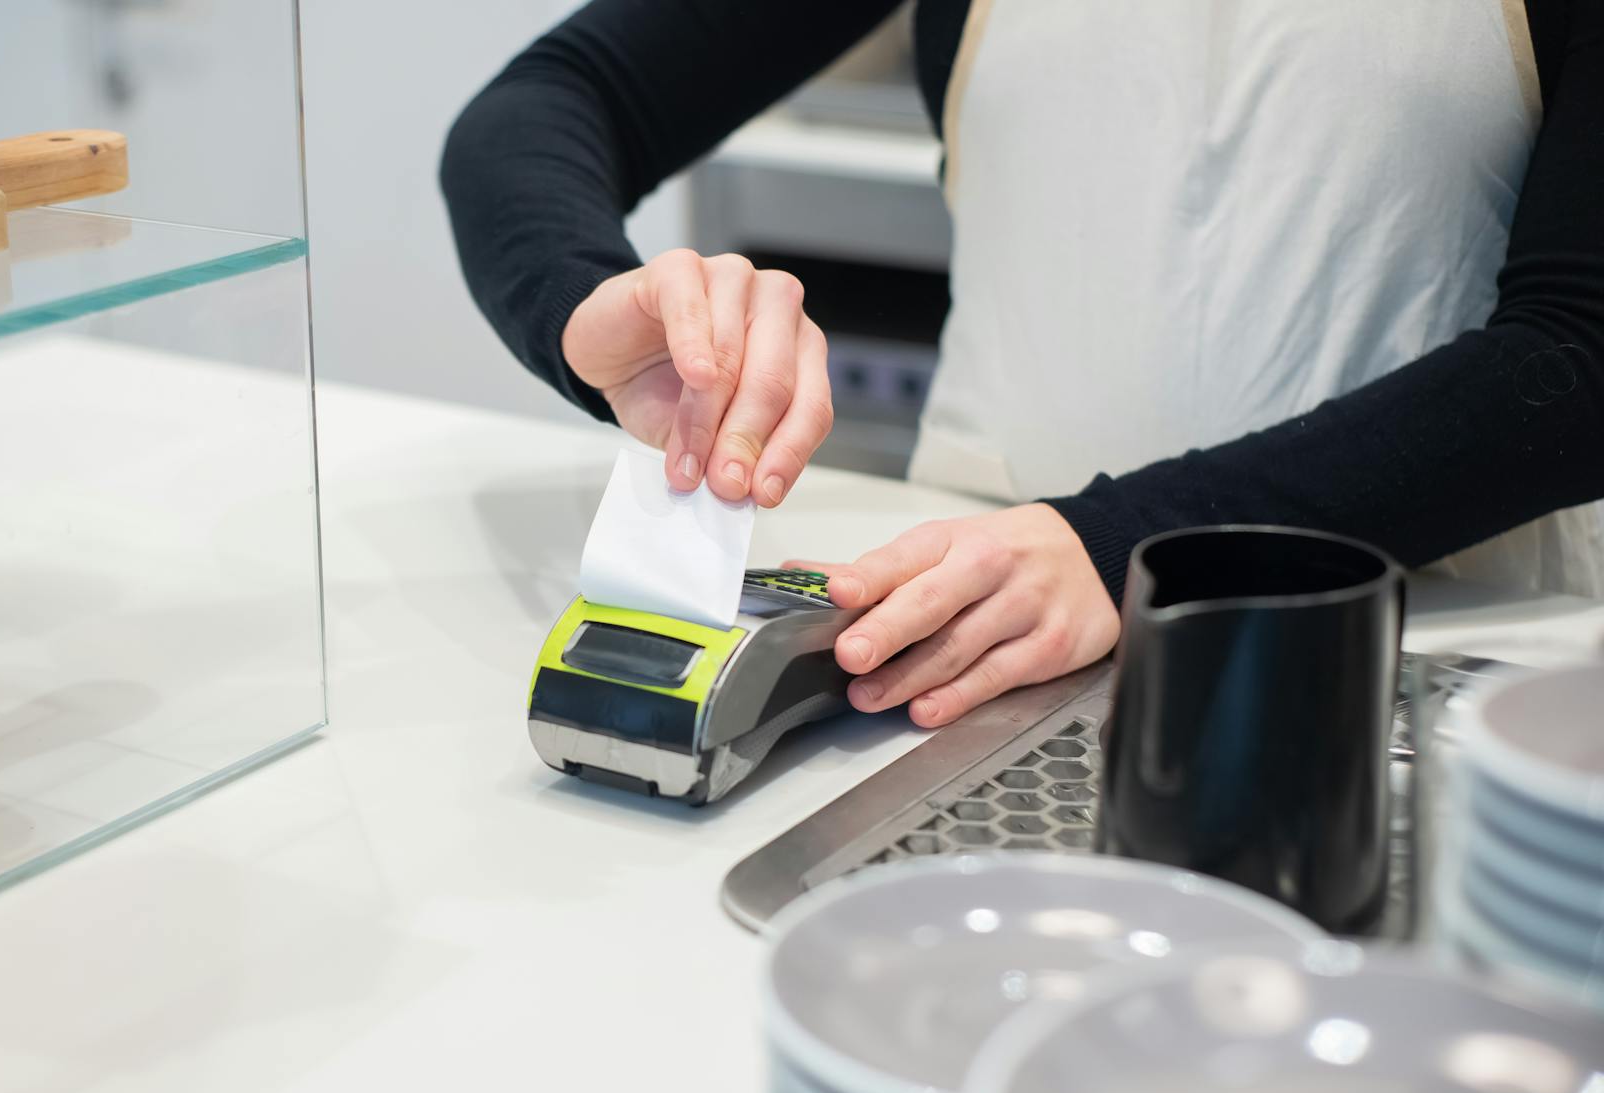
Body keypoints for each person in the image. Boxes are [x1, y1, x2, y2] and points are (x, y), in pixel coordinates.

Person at [441, 0, 1603, 728]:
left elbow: (1579, 352)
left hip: (1428, 642)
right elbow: (549, 103)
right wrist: (596, 305)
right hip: (967, 627)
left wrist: (1117, 544)